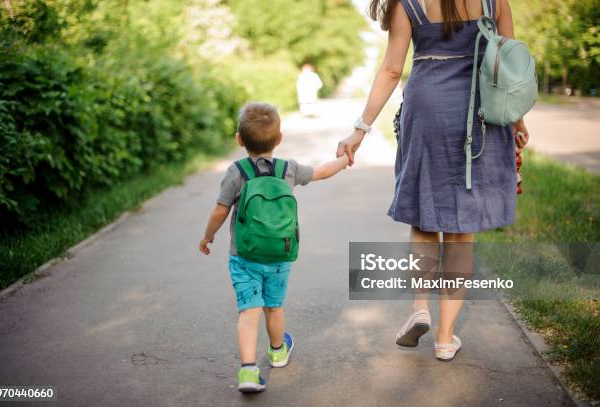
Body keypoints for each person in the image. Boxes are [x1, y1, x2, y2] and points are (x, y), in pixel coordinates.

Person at [336, 0, 529, 361]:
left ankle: (420, 307)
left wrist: (360, 129)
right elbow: (510, 64)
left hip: (427, 108)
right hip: (481, 113)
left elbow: (392, 71)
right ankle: (444, 339)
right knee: (461, 228)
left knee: (425, 217)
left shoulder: (408, 4)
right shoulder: (494, 1)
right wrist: (516, 120)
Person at [199, 102, 349, 392]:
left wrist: (208, 236)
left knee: (249, 311)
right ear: (278, 139)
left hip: (243, 256)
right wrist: (343, 161)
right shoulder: (287, 169)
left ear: (239, 139)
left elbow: (220, 210)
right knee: (274, 307)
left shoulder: (236, 171)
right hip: (280, 254)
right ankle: (278, 351)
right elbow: (321, 172)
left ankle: (247, 372)